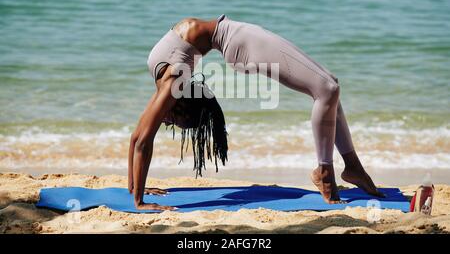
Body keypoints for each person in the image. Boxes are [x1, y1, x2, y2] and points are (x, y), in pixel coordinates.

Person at [128, 14, 384, 211]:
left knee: (329, 85)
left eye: (175, 120)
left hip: (241, 42)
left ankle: (344, 169)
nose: (167, 120)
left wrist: (137, 198)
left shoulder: (173, 81)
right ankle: (333, 171)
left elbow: (141, 140)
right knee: (327, 89)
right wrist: (136, 193)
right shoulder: (170, 79)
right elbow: (139, 137)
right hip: (236, 39)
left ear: (181, 104)